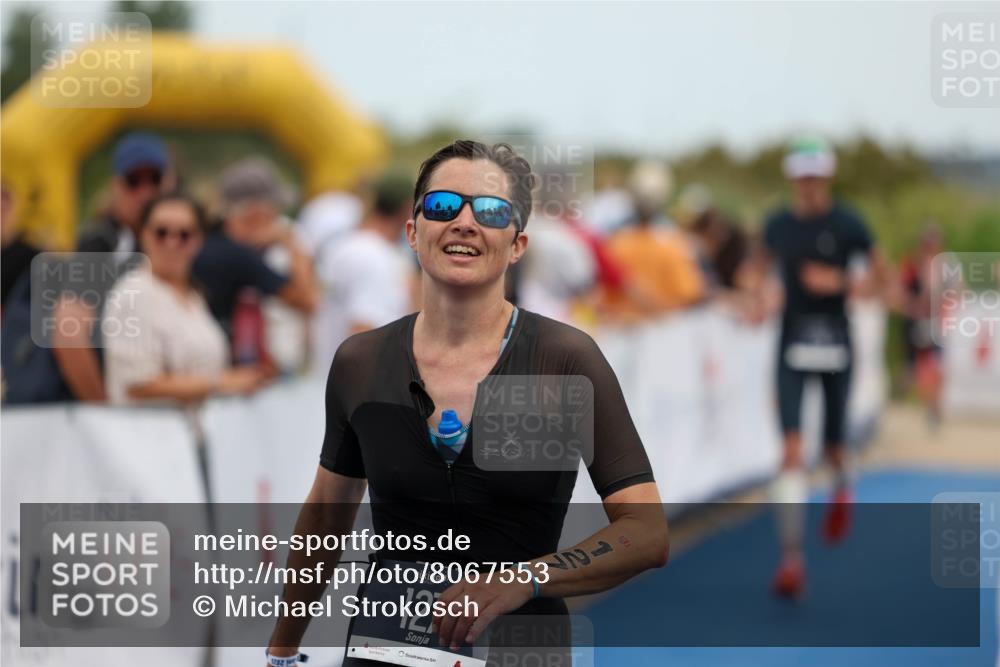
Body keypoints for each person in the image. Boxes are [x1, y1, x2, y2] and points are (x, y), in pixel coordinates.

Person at [265, 141, 668, 666]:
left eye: (491, 211)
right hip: (384, 650)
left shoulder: (564, 360)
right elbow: (324, 515)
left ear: (518, 244)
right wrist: (282, 649)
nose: (464, 221)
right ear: (412, 232)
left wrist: (523, 579)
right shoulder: (360, 362)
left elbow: (647, 531)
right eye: (442, 206)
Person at [753, 135, 889, 598]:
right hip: (791, 345)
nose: (809, 185)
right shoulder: (778, 224)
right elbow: (756, 270)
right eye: (802, 176)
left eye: (816, 176)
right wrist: (760, 295)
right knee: (791, 450)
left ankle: (843, 481)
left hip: (836, 347)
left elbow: (882, 280)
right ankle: (791, 560)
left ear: (827, 177)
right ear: (793, 178)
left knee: (832, 450)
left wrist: (843, 282)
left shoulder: (850, 223)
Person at [103, 194, 268, 404]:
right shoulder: (133, 295)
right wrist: (222, 383)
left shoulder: (192, 294)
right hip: (149, 432)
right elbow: (139, 384)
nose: (172, 242)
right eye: (161, 233)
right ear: (142, 233)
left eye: (184, 234)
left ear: (199, 240)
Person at [192, 159, 317, 354]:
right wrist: (289, 240)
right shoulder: (239, 256)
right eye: (274, 206)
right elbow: (308, 300)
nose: (277, 216)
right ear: (255, 209)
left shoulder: (209, 241)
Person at [309, 171, 414, 375]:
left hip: (331, 384)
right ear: (407, 207)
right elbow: (364, 335)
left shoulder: (347, 247)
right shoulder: (374, 257)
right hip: (359, 392)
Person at [899, 223, 947, 429]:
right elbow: (900, 291)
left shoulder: (945, 265)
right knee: (912, 369)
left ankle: (933, 407)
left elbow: (958, 290)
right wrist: (914, 306)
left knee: (935, 366)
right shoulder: (912, 264)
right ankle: (912, 400)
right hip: (916, 322)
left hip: (935, 322)